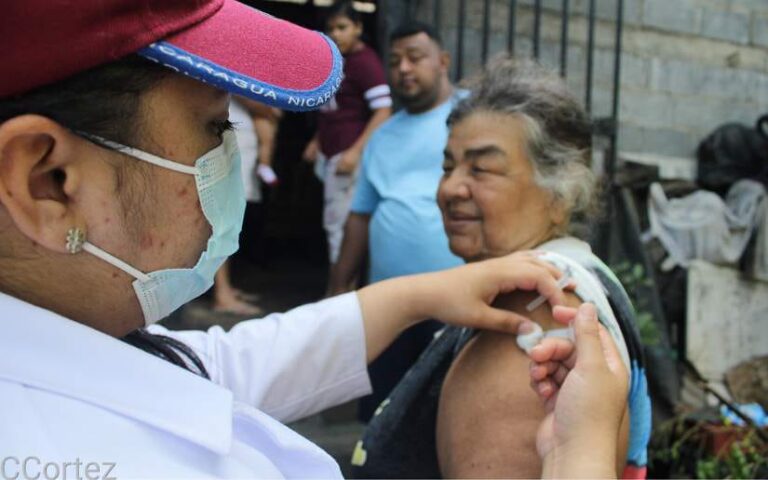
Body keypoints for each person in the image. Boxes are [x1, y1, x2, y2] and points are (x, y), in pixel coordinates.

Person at [0, 2, 586, 477]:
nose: (233, 155)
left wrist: (420, 294)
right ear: (48, 182)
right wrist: (577, 457)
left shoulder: (78, 335)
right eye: (214, 126)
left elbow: (212, 365)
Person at [351, 58, 652, 479]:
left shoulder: (535, 314)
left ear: (560, 192)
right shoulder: (568, 276)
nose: (451, 189)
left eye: (482, 169)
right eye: (447, 166)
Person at [329, 21, 466, 420]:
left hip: (457, 303)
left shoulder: (472, 118)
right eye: (394, 61)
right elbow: (360, 215)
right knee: (383, 416)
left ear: (442, 62)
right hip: (389, 307)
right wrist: (339, 286)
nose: (404, 68)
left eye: (415, 57)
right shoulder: (384, 135)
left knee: (445, 415)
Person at [302, 0, 392, 266]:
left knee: (339, 225)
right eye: (331, 29)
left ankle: (340, 291)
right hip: (332, 151)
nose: (336, 34)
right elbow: (336, 110)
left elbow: (384, 110)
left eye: (343, 27)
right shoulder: (339, 61)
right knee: (336, 221)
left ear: (358, 28)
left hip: (348, 154)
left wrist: (355, 152)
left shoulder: (365, 62)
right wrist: (317, 141)